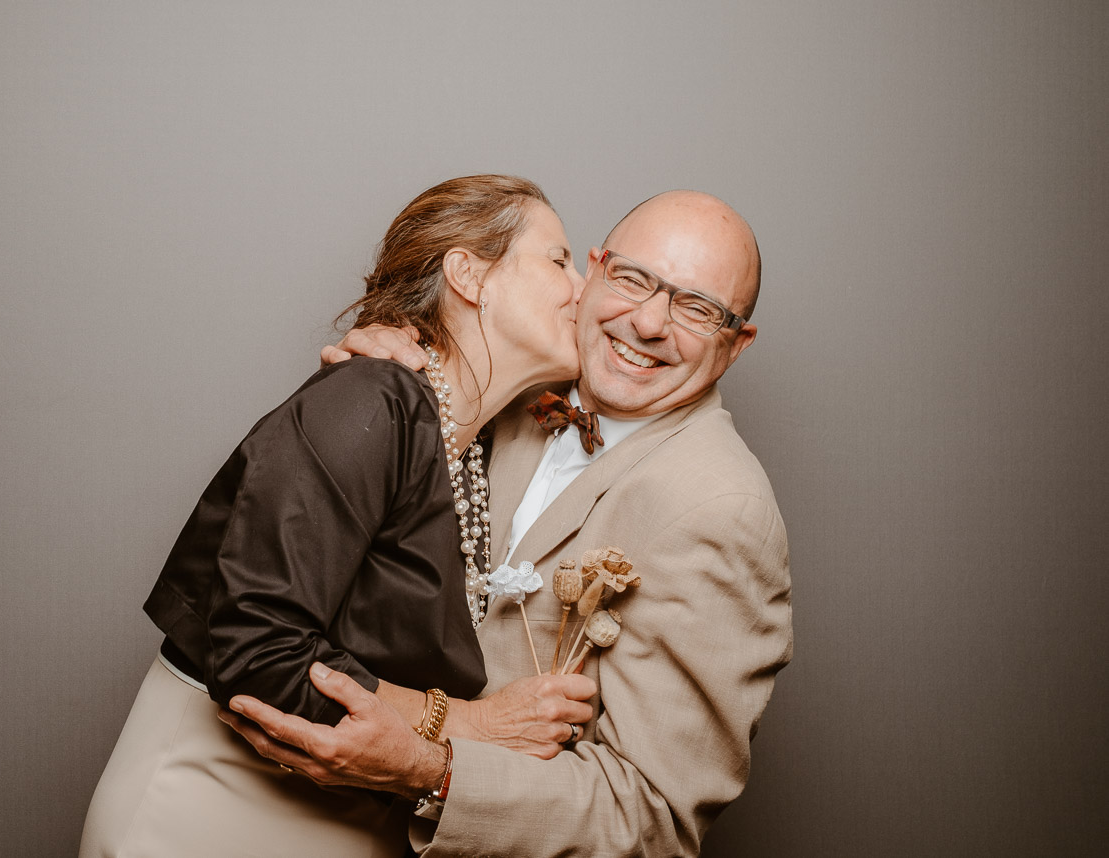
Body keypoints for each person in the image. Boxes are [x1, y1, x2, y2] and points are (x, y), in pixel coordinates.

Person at [221, 190, 794, 857]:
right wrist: (389, 358)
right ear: (595, 270)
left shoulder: (723, 511)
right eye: (634, 278)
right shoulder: (512, 382)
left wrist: (431, 771)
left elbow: (653, 817)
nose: (648, 323)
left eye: (696, 307)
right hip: (302, 811)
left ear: (737, 343)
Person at [78, 175, 605, 858]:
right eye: (558, 260)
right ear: (469, 275)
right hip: (212, 812)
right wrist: (474, 726)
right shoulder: (371, 397)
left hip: (352, 821)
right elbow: (261, 653)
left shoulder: (473, 449)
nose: (582, 289)